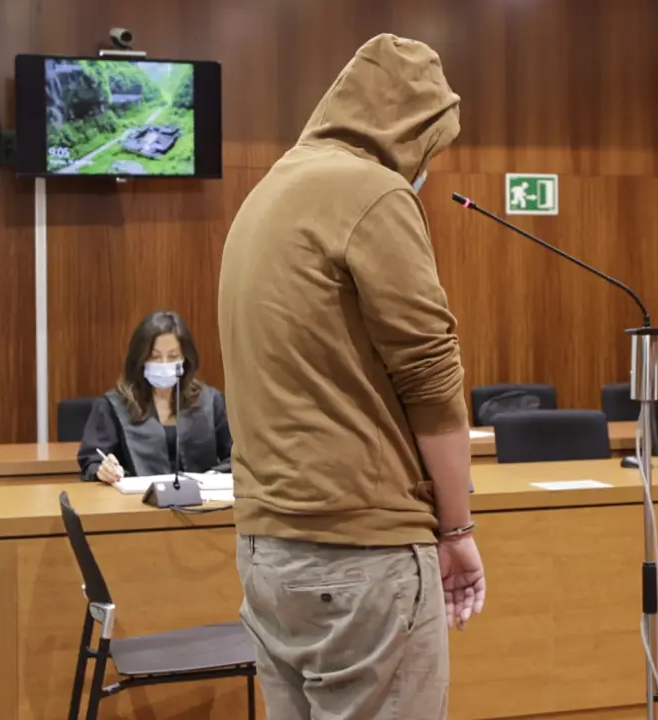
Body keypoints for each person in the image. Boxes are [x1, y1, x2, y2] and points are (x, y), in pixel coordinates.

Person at [217, 34, 483, 720]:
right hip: (361, 553)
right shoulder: (372, 190)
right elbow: (430, 372)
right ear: (412, 127)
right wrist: (457, 530)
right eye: (431, 146)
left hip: (268, 552)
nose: (427, 167)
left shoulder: (268, 191)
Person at [77, 310, 232, 483]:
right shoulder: (114, 405)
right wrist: (104, 470)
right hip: (137, 498)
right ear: (140, 359)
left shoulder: (210, 402)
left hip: (202, 497)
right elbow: (92, 460)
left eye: (173, 356)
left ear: (185, 359)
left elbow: (237, 456)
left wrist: (213, 477)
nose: (164, 364)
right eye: (155, 357)